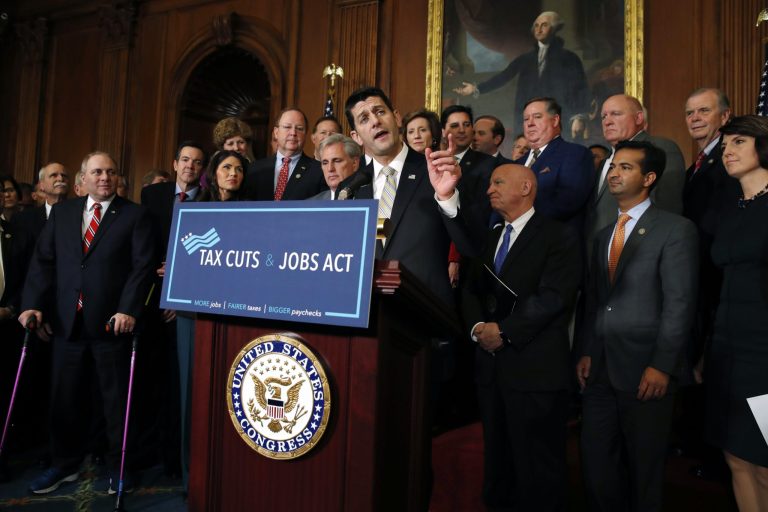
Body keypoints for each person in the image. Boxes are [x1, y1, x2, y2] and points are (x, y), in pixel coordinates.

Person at [18, 151, 155, 495]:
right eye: (97, 172)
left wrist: (128, 309)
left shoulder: (135, 215)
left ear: (117, 177)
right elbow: (43, 262)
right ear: (84, 178)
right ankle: (64, 465)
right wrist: (33, 305)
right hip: (67, 324)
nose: (104, 178)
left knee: (115, 402)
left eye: (110, 172)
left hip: (113, 324)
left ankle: (119, 468)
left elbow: (142, 267)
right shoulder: (63, 214)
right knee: (65, 399)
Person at [577, 140, 698, 512]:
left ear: (649, 178)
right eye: (613, 166)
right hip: (600, 373)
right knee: (596, 468)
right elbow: (596, 301)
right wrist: (585, 350)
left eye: (626, 167)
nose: (614, 173)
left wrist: (662, 364)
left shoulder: (675, 230)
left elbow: (679, 304)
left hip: (647, 371)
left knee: (644, 476)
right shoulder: (602, 236)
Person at [462, 163, 580, 510]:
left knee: (539, 469)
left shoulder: (559, 235)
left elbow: (555, 297)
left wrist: (506, 331)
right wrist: (477, 328)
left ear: (526, 187)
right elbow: (470, 289)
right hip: (491, 369)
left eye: (498, 182)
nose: (489, 190)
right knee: (497, 464)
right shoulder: (492, 235)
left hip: (535, 372)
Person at [705, 115, 768, 511]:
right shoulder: (729, 206)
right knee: (735, 456)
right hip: (726, 347)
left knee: (764, 461)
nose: (727, 151)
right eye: (725, 144)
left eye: (739, 143)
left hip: (764, 351)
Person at [140, 141, 207, 489]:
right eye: (185, 160)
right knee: (149, 381)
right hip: (151, 298)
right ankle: (151, 452)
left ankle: (173, 457)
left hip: (186, 306)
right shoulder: (154, 196)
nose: (190, 167)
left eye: (197, 163)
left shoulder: (209, 201)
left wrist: (178, 292)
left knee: (178, 383)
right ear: (174, 162)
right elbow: (142, 245)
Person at [586, 94, 687, 257]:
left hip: (639, 254)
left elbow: (668, 205)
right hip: (602, 257)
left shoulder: (661, 148)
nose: (607, 121)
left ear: (639, 117)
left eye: (616, 114)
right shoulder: (605, 160)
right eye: (604, 116)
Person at [454, 11, 590, 126]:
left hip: (557, 118)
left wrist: (578, 117)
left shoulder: (569, 58)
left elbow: (579, 87)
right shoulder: (526, 59)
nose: (539, 29)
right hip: (528, 119)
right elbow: (504, 77)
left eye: (544, 25)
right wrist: (476, 88)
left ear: (554, 29)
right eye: (536, 25)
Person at [518, 97, 594, 231]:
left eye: (537, 117)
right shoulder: (517, 163)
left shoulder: (574, 154)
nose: (530, 123)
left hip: (552, 241)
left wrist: (520, 221)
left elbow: (568, 201)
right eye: (526, 119)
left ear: (555, 120)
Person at [244, 107, 327, 200]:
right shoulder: (255, 169)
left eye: (299, 128)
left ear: (305, 134)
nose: (293, 133)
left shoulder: (320, 171)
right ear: (276, 132)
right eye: (287, 127)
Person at [311, 134, 361, 200]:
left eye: (337, 161)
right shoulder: (310, 205)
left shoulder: (372, 199)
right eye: (325, 163)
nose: (330, 169)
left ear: (355, 163)